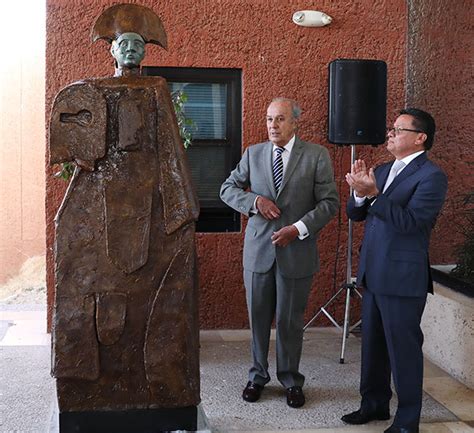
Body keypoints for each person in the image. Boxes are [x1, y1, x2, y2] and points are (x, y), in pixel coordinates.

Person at [49, 4, 200, 420]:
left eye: (136, 44)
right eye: (123, 44)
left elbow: (170, 149)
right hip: (99, 207)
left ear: (145, 52)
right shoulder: (93, 92)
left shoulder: (155, 89)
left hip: (150, 205)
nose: (130, 50)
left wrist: (180, 206)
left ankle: (161, 391)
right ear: (111, 50)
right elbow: (77, 151)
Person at [220, 98, 339, 408]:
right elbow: (227, 189)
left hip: (296, 252)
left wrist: (297, 229)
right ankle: (257, 376)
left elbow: (329, 204)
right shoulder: (253, 154)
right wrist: (255, 202)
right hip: (258, 253)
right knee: (258, 319)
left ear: (295, 123)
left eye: (280, 119)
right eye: (269, 119)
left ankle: (290, 380)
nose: (273, 125)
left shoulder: (316, 156)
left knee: (289, 322)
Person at [342, 108, 447, 433]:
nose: (390, 134)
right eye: (391, 128)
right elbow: (355, 214)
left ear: (420, 138)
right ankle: (373, 404)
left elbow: (412, 224)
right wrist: (360, 194)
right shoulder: (384, 169)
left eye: (398, 130)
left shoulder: (431, 176)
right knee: (372, 346)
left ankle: (407, 421)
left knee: (403, 352)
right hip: (373, 274)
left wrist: (373, 194)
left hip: (402, 280)